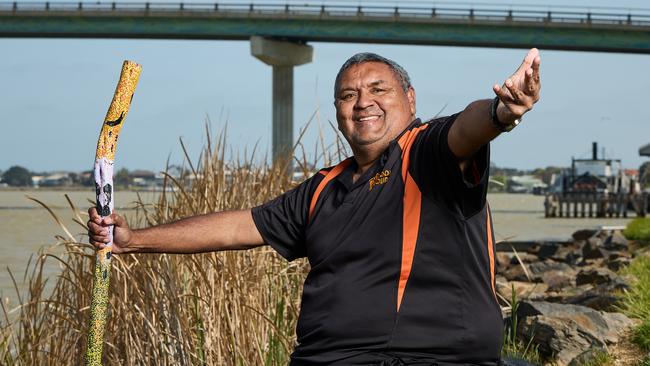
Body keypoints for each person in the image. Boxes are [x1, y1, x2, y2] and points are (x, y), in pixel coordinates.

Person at [88, 48, 541, 365]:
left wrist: (502, 113)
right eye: (348, 95)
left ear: (410, 99)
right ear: (337, 110)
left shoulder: (427, 151)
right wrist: (133, 241)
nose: (363, 102)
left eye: (379, 89)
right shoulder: (325, 187)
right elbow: (239, 226)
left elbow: (468, 128)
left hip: (424, 358)